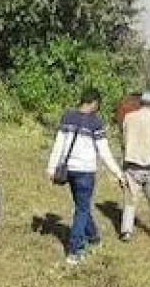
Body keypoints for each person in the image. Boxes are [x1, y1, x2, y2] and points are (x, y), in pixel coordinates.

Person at [46, 88, 124, 265]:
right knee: (81, 210)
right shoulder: (95, 123)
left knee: (82, 205)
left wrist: (51, 168)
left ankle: (94, 238)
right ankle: (74, 251)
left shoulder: (67, 117)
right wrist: (118, 173)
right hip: (85, 172)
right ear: (94, 103)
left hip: (68, 170)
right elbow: (104, 153)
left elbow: (58, 144)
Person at [119, 91, 150, 241]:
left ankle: (126, 231)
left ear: (140, 103)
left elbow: (124, 140)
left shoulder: (128, 118)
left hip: (130, 164)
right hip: (148, 167)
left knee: (130, 200)